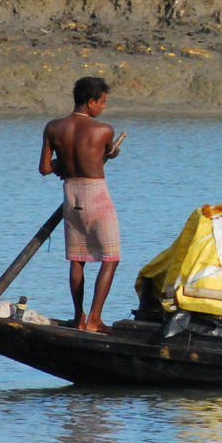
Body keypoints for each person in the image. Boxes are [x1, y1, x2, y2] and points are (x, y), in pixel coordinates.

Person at [39, 76, 126, 333]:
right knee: (110, 258)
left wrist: (62, 164)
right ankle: (94, 320)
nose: (103, 108)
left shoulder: (53, 127)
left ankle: (78, 317)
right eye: (102, 102)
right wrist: (112, 152)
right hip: (95, 195)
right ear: (91, 102)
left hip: (71, 195)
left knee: (77, 259)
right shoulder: (103, 130)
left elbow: (44, 168)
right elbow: (108, 151)